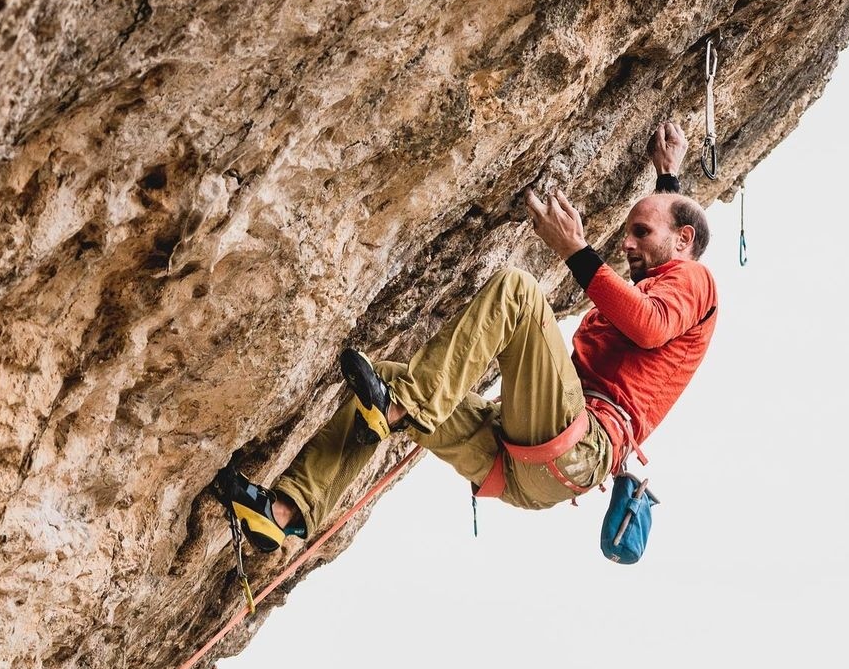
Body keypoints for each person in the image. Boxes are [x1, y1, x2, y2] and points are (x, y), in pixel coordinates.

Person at [224, 121, 718, 552]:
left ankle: (404, 406)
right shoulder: (670, 274)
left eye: (640, 234)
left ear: (683, 241)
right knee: (381, 380)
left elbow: (650, 322)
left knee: (518, 291)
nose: (626, 243)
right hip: (528, 467)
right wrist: (667, 175)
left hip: (575, 445)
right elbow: (668, 233)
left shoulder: (697, 282)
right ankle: (286, 511)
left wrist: (574, 249)